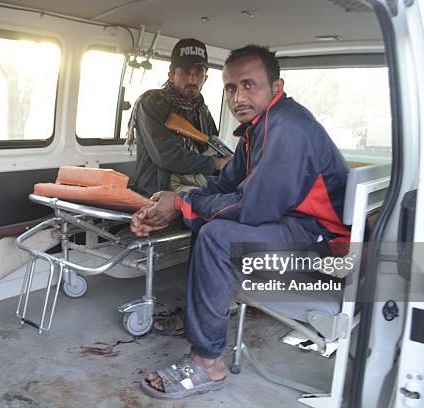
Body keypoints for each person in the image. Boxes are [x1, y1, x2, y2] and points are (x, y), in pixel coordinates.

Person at [131, 45, 351, 399]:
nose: (238, 96)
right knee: (206, 222)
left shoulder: (288, 127)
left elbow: (253, 207)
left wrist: (183, 202)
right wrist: (173, 209)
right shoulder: (257, 129)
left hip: (324, 247)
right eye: (231, 88)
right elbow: (223, 185)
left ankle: (206, 363)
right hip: (298, 227)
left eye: (250, 85)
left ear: (276, 88)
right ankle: (194, 314)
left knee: (217, 234)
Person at [127, 38, 231, 197]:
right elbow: (167, 156)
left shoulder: (202, 110)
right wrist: (216, 164)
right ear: (171, 75)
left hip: (190, 190)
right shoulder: (152, 103)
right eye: (184, 72)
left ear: (206, 77)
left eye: (198, 73)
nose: (192, 79)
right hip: (155, 193)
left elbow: (210, 146)